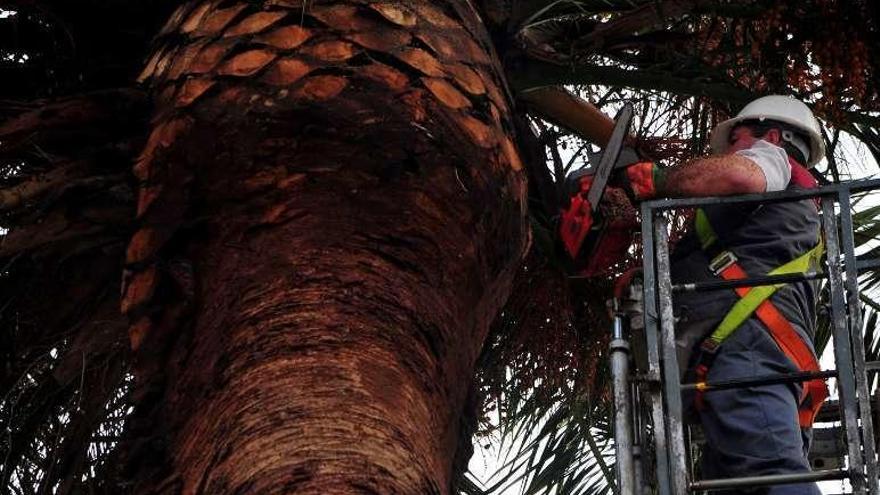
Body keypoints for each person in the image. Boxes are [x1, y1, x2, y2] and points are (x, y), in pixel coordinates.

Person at [614, 95, 827, 494]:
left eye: (736, 140)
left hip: (748, 349)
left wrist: (661, 181)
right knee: (740, 481)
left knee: (771, 475)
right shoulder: (781, 212)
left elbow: (740, 176)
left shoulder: (773, 158)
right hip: (752, 354)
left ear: (774, 135)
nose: (732, 152)